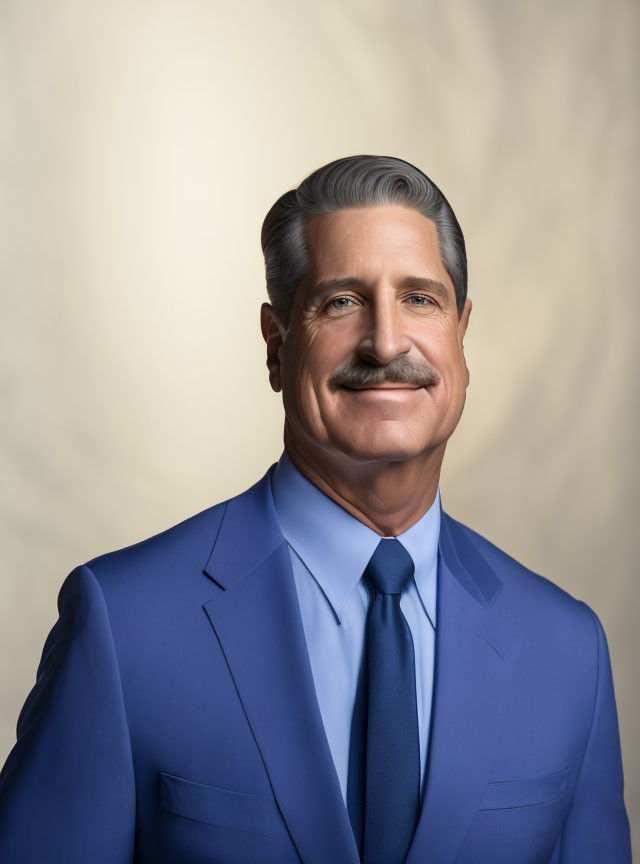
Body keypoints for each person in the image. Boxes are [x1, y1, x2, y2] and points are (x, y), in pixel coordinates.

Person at [0, 155, 631, 864]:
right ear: (276, 347)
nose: (386, 342)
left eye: (420, 299)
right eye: (341, 301)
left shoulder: (568, 650)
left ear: (461, 335)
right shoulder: (122, 627)